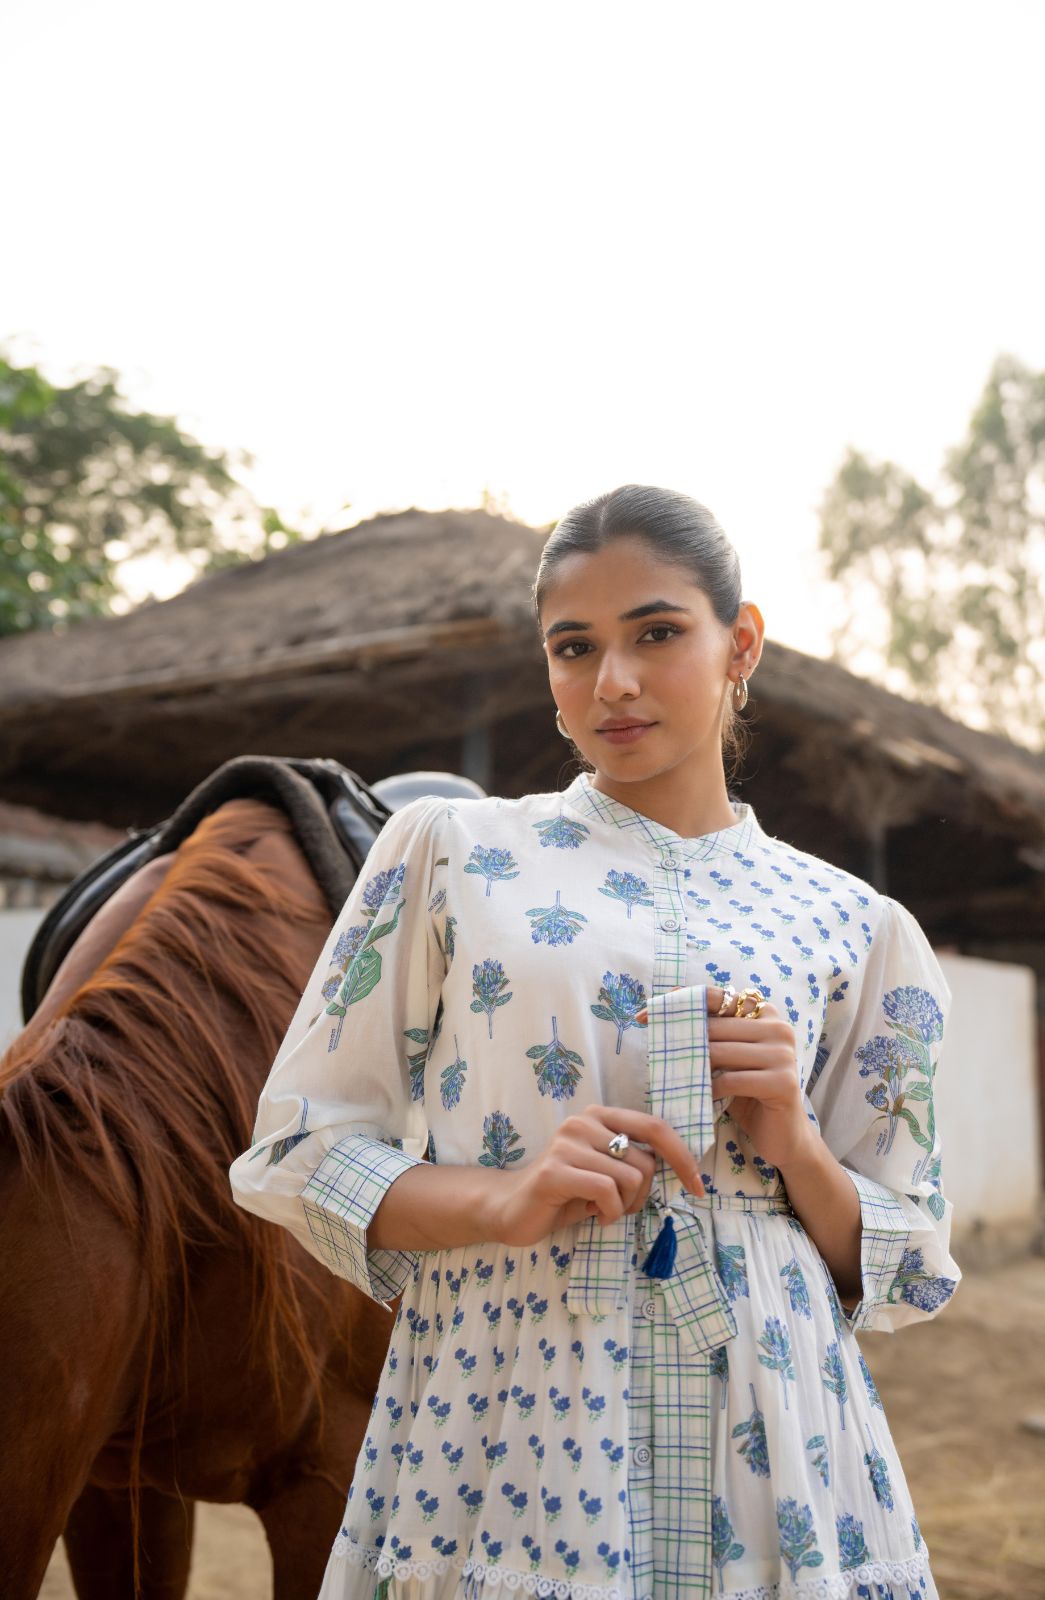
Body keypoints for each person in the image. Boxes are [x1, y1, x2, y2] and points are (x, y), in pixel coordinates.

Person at [230, 484, 960, 1600]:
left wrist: (798, 1144)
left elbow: (906, 1259)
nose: (611, 680)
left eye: (656, 633)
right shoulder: (453, 855)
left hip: (777, 1433)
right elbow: (298, 1147)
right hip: (504, 1417)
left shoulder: (859, 926)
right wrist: (500, 1197)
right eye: (575, 648)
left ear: (740, 645)